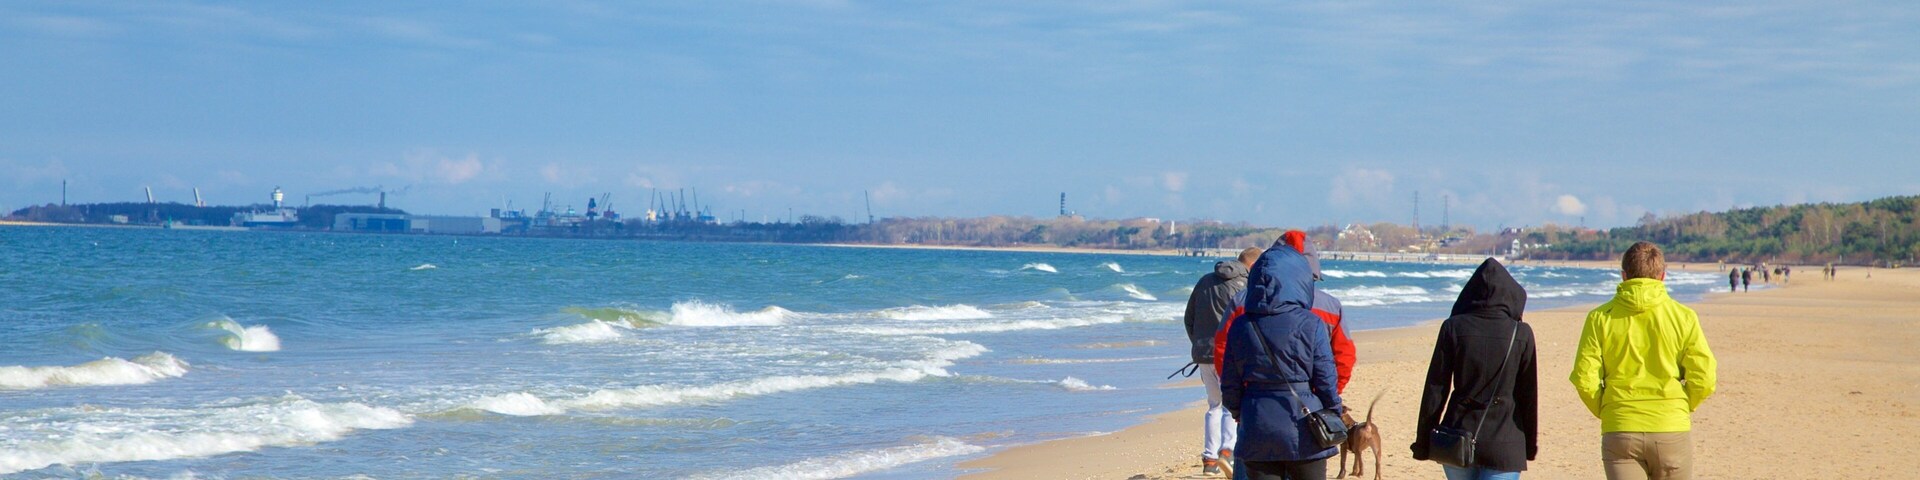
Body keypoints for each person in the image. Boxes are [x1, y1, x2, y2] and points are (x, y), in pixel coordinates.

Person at [1215, 232, 1357, 480]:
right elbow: (1327, 376)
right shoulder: (1312, 322)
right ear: (1300, 278)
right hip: (1305, 426)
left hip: (1256, 422)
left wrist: (1241, 413)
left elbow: (1229, 381)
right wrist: (1332, 410)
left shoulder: (1241, 323)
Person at [1571, 242, 1717, 480]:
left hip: (1621, 425)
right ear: (1662, 276)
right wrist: (1682, 404)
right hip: (1671, 425)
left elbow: (1584, 378)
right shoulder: (1683, 317)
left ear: (1624, 275)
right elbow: (1705, 378)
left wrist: (1608, 409)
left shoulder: (1599, 318)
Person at [1411, 258, 1539, 480]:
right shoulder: (1522, 333)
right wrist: (1529, 445)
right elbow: (1528, 394)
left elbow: (1436, 389)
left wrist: (1423, 442)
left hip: (1457, 434)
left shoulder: (1453, 327)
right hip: (1505, 440)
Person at [1185, 247, 1263, 475]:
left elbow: (1189, 318)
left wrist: (1199, 343)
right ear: (1253, 265)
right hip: (1229, 353)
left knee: (1213, 405)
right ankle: (1226, 451)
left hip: (1203, 353)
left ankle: (1209, 459)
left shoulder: (1204, 281)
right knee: (1231, 404)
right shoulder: (1247, 286)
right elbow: (1248, 321)